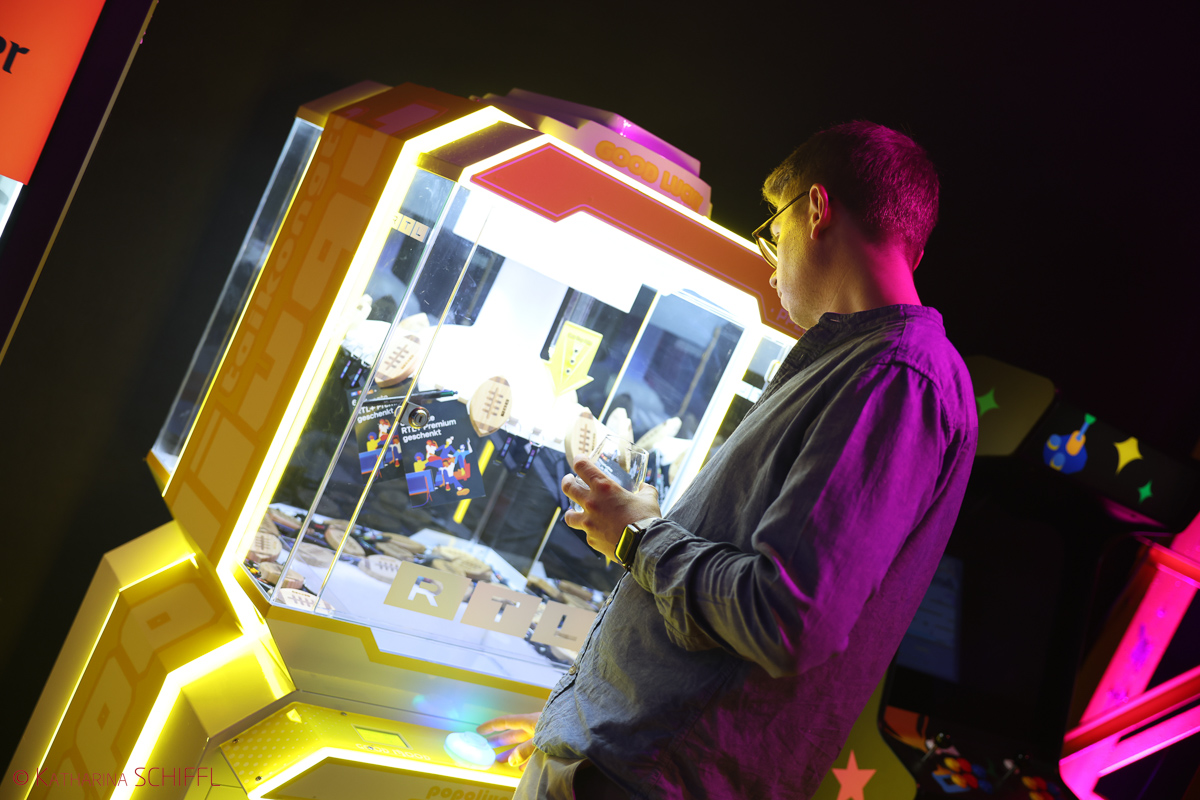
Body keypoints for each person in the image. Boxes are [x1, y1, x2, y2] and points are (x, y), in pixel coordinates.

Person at [479, 121, 978, 800]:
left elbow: (787, 617)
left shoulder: (896, 376)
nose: (772, 265)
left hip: (643, 778)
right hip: (629, 764)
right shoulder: (868, 366)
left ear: (815, 209)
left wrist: (636, 536)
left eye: (772, 231)